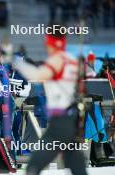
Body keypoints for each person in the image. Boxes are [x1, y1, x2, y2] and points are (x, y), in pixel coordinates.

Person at [5, 25, 87, 175]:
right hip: (70, 119)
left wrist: (14, 61)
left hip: (59, 123)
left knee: (33, 167)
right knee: (78, 168)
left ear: (50, 41)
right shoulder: (71, 59)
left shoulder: (57, 59)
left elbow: (38, 75)